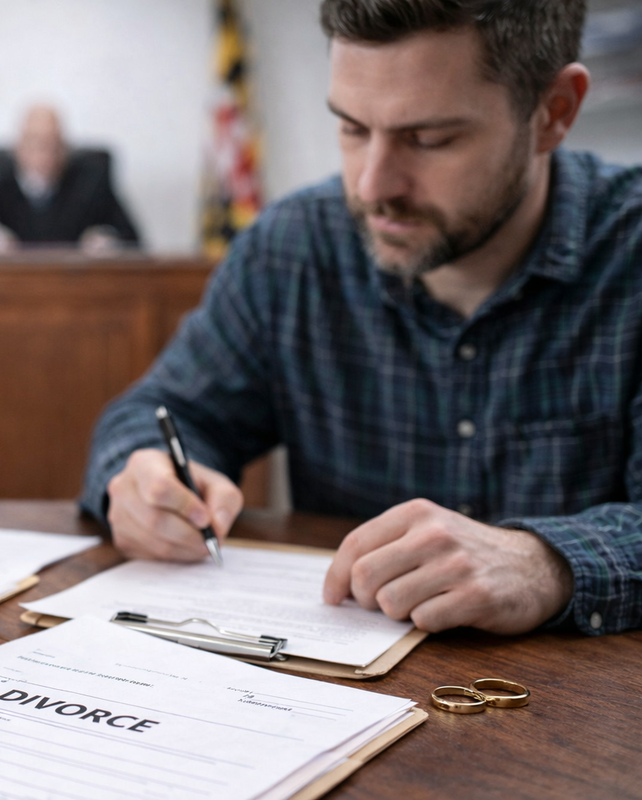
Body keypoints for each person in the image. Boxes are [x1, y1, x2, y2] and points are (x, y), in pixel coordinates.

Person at [81, 0, 642, 638]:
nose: (373, 185)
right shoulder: (294, 247)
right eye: (351, 128)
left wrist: (547, 564)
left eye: (429, 139)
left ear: (554, 112)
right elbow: (163, 410)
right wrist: (144, 474)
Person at [0, 104, 141, 253]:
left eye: (54, 144)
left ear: (65, 148)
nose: (45, 154)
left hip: (76, 287)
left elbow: (133, 239)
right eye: (36, 143)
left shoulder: (91, 181)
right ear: (18, 147)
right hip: (10, 289)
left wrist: (107, 239)